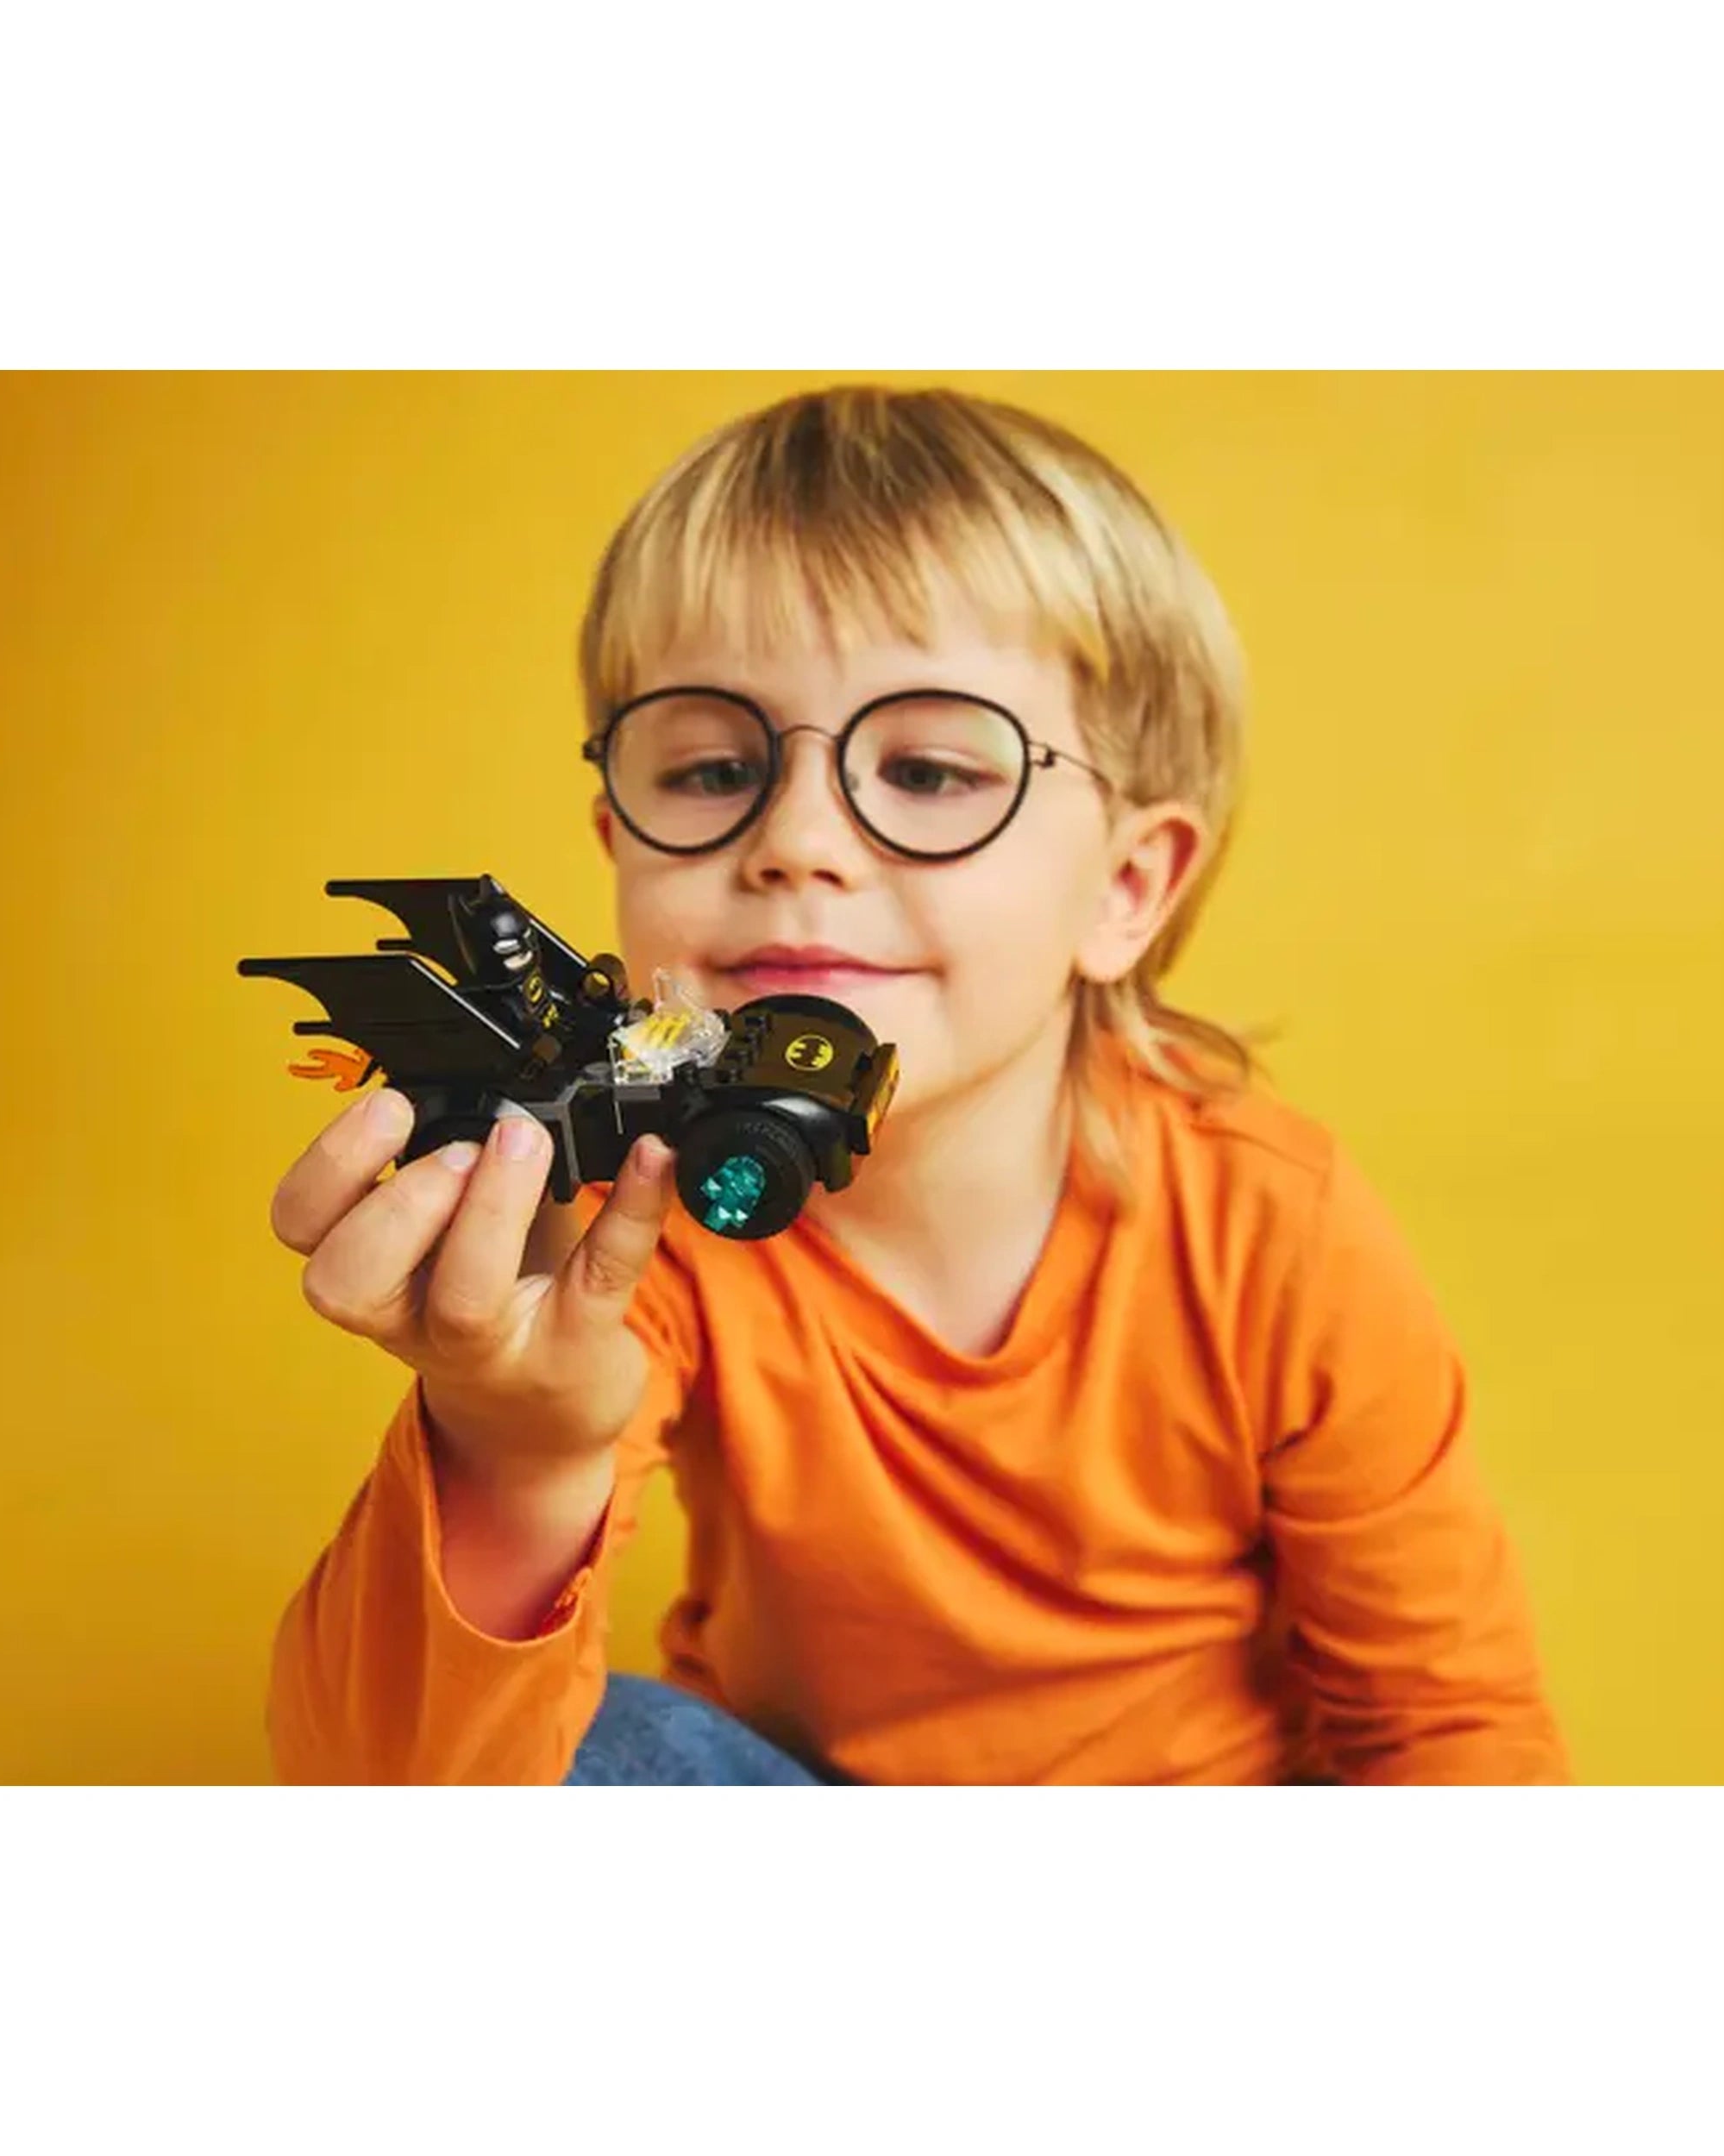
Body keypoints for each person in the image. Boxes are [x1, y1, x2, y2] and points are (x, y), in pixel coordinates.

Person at [264, 385, 1569, 1785]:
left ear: (1125, 889)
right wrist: (515, 1449)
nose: (798, 838)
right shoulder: (636, 1229)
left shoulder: (1267, 1222)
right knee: (614, 1750)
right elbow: (385, 1790)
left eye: (933, 771)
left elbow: (1453, 1726)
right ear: (617, 843)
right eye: (713, 769)